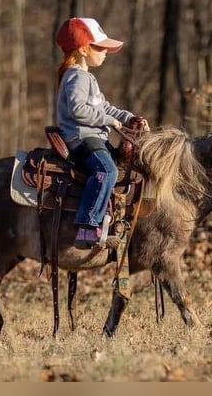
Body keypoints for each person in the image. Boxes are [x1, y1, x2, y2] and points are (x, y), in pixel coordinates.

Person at [55, 17, 149, 249]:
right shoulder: (76, 76)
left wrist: (128, 117)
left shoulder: (87, 77)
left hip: (94, 136)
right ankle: (87, 226)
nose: (105, 53)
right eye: (100, 47)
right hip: (81, 138)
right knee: (106, 170)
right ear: (84, 49)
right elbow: (78, 110)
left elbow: (103, 106)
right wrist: (110, 122)